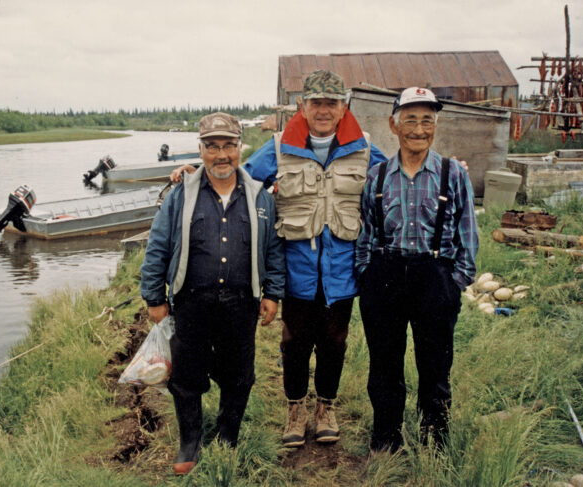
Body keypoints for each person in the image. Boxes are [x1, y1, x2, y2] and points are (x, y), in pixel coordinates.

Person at [171, 70, 388, 446]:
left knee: (335, 342)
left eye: (331, 103)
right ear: (302, 107)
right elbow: (238, 176)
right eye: (315, 103)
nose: (323, 110)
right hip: (296, 268)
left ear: (343, 107)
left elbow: (397, 176)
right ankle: (295, 409)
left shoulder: (365, 147)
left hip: (343, 270)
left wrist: (451, 168)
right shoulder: (278, 146)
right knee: (295, 343)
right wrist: (195, 170)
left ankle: (325, 408)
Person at [140, 112, 285, 475]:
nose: (222, 155)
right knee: (187, 377)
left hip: (242, 304)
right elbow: (157, 245)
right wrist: (154, 297)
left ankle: (227, 436)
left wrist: (273, 293)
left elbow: (273, 250)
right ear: (201, 150)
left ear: (240, 148)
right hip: (190, 303)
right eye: (213, 147)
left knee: (239, 376)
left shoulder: (259, 197)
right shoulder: (180, 194)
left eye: (229, 146)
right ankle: (190, 441)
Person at [355, 87, 479, 453]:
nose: (419, 129)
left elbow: (467, 230)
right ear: (394, 125)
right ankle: (386, 438)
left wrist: (457, 281)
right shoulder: (377, 177)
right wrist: (366, 273)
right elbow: (366, 232)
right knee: (384, 366)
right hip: (385, 277)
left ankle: (435, 440)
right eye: (410, 119)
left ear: (436, 126)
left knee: (435, 367)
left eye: (427, 120)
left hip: (435, 279)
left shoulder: (452, 173)